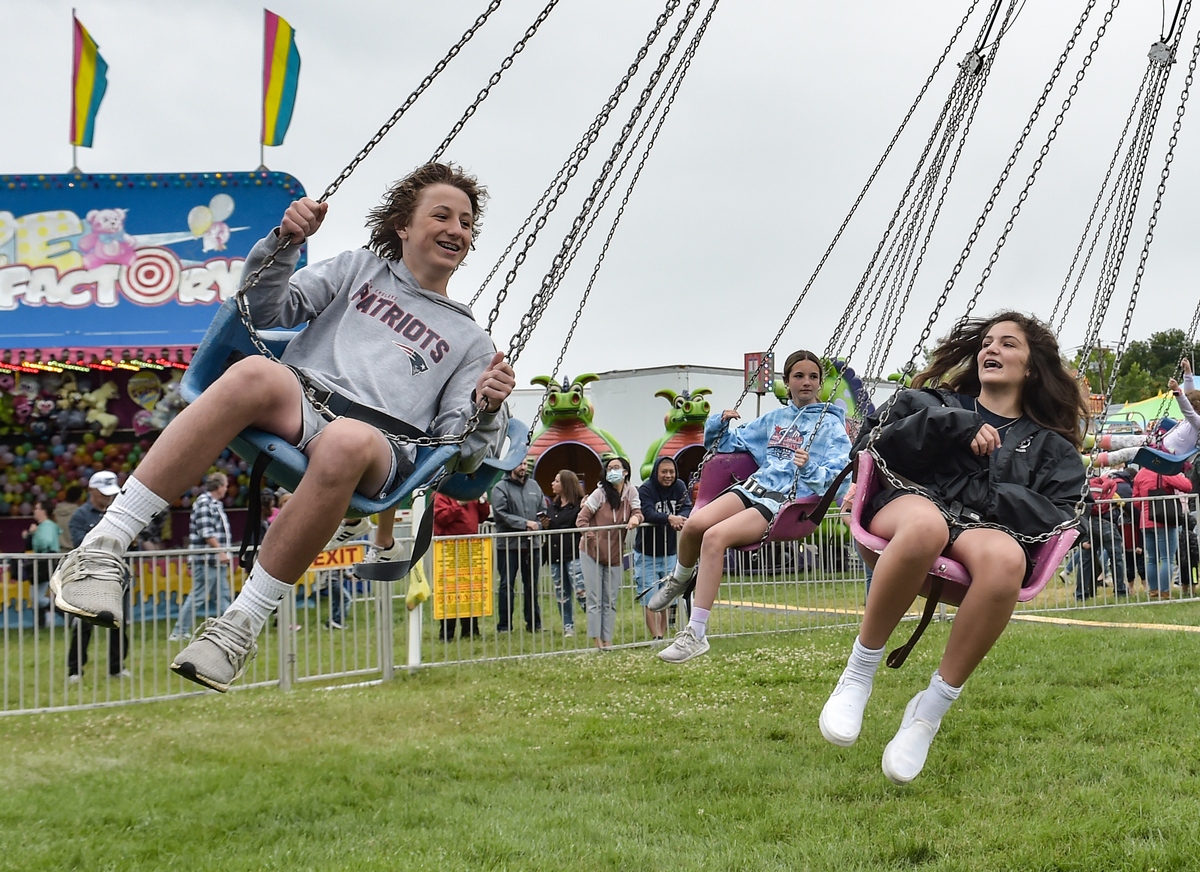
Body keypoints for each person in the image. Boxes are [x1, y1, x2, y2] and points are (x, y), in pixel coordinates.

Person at [49, 162, 516, 692]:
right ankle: (102, 547)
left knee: (345, 440)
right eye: (442, 215)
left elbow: (458, 443)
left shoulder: (471, 339)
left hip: (383, 442)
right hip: (305, 396)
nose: (457, 228)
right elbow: (268, 308)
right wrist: (285, 241)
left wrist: (487, 405)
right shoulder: (358, 269)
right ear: (404, 226)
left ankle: (239, 626)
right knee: (250, 372)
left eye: (467, 222)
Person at [818, 311, 1088, 785]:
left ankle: (929, 710)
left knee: (1006, 560)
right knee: (927, 528)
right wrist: (952, 424)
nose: (992, 350)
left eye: (1008, 344)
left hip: (980, 528)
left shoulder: (1051, 448)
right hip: (909, 509)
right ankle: (858, 674)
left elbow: (1057, 513)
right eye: (987, 342)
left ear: (1030, 368)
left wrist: (983, 493)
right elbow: (877, 443)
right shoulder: (936, 402)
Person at [649, 350, 853, 663]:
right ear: (786, 383)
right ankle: (679, 579)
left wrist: (809, 467)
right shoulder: (774, 420)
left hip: (783, 502)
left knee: (714, 538)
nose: (807, 382)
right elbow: (730, 444)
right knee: (694, 525)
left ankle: (696, 634)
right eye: (799, 376)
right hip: (752, 488)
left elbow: (838, 477)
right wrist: (719, 423)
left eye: (813, 377)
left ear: (820, 382)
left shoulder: (830, 428)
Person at [65, 471, 131, 682]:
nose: (108, 497)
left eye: (110, 493)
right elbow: (81, 543)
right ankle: (75, 670)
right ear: (92, 490)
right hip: (89, 577)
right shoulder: (80, 516)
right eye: (103, 493)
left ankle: (117, 667)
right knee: (83, 625)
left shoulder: (118, 513)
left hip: (116, 575)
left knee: (119, 623)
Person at [577, 454, 642, 649]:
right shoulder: (599, 494)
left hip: (615, 553)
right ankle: (596, 641)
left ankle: (608, 640)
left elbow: (638, 512)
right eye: (609, 468)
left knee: (610, 599)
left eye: (616, 467)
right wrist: (592, 539)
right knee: (595, 598)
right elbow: (581, 520)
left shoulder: (631, 493)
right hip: (591, 552)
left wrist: (635, 519)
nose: (612, 471)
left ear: (625, 471)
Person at [1092, 358, 1200, 466]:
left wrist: (1177, 391)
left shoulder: (1197, 423)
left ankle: (1091, 461)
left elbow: (1187, 410)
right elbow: (1189, 395)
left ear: (1195, 406)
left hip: (1166, 456)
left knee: (1129, 452)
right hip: (1159, 443)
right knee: (1129, 439)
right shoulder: (1192, 419)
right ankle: (1093, 440)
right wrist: (1187, 372)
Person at [168, 473, 234, 641]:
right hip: (206, 560)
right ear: (219, 486)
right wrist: (221, 551)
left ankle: (229, 629)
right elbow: (207, 533)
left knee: (223, 594)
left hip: (213, 560)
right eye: (225, 485)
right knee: (198, 596)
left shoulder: (214, 504)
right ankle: (179, 631)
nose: (226, 489)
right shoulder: (205, 504)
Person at [634, 456, 692, 640]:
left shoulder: (680, 486)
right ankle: (656, 636)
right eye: (664, 472)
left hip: (670, 552)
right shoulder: (646, 489)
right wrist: (669, 518)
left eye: (671, 472)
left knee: (667, 594)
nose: (668, 475)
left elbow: (687, 506)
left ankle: (664, 634)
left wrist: (680, 518)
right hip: (646, 552)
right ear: (656, 472)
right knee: (649, 596)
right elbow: (647, 512)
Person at [491, 460, 548, 633]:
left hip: (532, 545)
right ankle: (504, 625)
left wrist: (539, 523)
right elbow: (500, 513)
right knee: (506, 585)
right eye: (519, 464)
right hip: (509, 546)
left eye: (525, 464)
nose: (523, 467)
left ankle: (534, 623)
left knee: (532, 584)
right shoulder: (500, 488)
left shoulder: (534, 485)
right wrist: (525, 524)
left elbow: (542, 509)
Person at [432, 491, 490, 640]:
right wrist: (458, 505)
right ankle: (447, 633)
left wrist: (483, 502)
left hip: (471, 548)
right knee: (450, 592)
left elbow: (482, 517)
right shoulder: (441, 495)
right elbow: (440, 518)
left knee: (471, 591)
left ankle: (470, 631)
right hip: (449, 549)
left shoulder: (469, 492)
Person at [1133, 465, 1192, 599]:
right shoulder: (1165, 471)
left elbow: (1136, 499)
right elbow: (1187, 486)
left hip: (1145, 520)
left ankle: (1153, 591)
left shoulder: (1140, 474)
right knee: (1167, 559)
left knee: (1152, 559)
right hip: (1164, 519)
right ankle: (1165, 592)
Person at [544, 469, 585, 637]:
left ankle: (595, 620)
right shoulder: (552, 506)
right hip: (555, 555)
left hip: (573, 554)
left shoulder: (579, 505)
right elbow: (554, 527)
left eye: (557, 481)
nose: (553, 484)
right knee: (562, 593)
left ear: (566, 484)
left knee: (581, 590)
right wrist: (546, 525)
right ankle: (568, 626)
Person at [23, 498, 61, 628]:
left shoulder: (47, 526)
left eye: (37, 508)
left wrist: (34, 534)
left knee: (37, 598)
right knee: (35, 596)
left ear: (43, 511)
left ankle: (63, 611)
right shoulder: (45, 526)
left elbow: (44, 542)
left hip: (44, 563)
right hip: (42, 563)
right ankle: (40, 623)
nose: (34, 511)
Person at [53, 485, 84, 552]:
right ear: (79, 498)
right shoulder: (79, 513)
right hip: (74, 552)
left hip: (58, 552)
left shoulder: (55, 512)